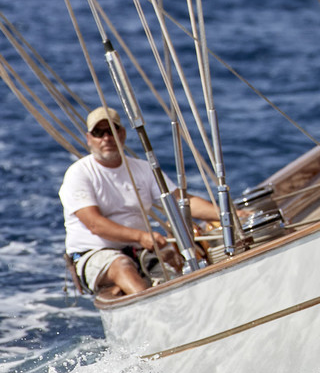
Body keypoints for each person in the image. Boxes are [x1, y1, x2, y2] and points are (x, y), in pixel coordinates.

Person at [61, 106, 219, 298]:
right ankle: (151, 310)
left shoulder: (144, 169)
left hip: (140, 251)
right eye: (98, 133)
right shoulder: (79, 174)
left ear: (122, 133)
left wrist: (231, 215)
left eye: (111, 130)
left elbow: (182, 201)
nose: (106, 138)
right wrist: (141, 236)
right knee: (122, 266)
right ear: (89, 138)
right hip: (94, 254)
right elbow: (94, 224)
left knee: (179, 266)